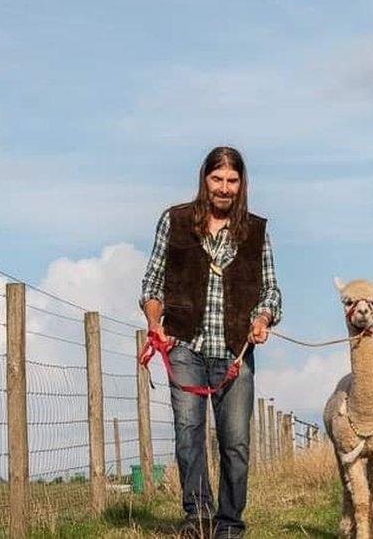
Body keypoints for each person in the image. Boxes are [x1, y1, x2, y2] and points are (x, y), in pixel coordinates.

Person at [140, 146, 282, 537]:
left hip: (235, 351)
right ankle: (198, 517)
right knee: (188, 433)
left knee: (235, 443)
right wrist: (155, 324)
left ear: (242, 184)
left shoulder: (256, 230)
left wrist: (263, 318)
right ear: (205, 180)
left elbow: (271, 291)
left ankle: (230, 525)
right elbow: (152, 284)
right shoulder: (175, 221)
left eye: (232, 180)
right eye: (217, 179)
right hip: (184, 344)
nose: (224, 188)